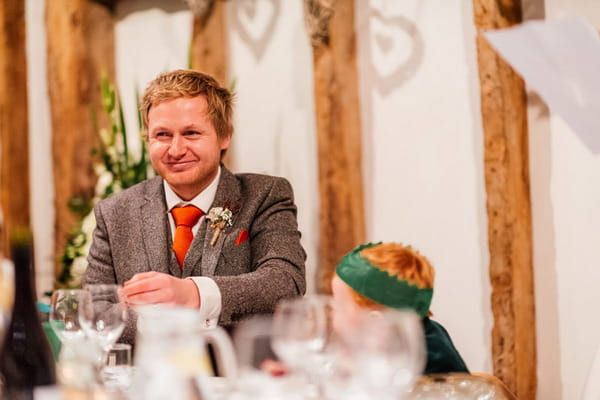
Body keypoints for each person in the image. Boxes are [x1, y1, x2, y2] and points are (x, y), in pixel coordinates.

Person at [84, 69, 306, 344]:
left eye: (191, 133)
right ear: (148, 139)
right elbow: (94, 310)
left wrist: (192, 294)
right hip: (147, 380)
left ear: (224, 136)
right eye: (162, 135)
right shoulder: (115, 211)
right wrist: (158, 322)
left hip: (239, 376)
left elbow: (284, 283)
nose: (176, 149)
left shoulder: (265, 195)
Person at [331, 242, 468, 375]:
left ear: (375, 323)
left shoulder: (423, 360)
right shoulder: (395, 336)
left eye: (338, 306)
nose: (331, 312)